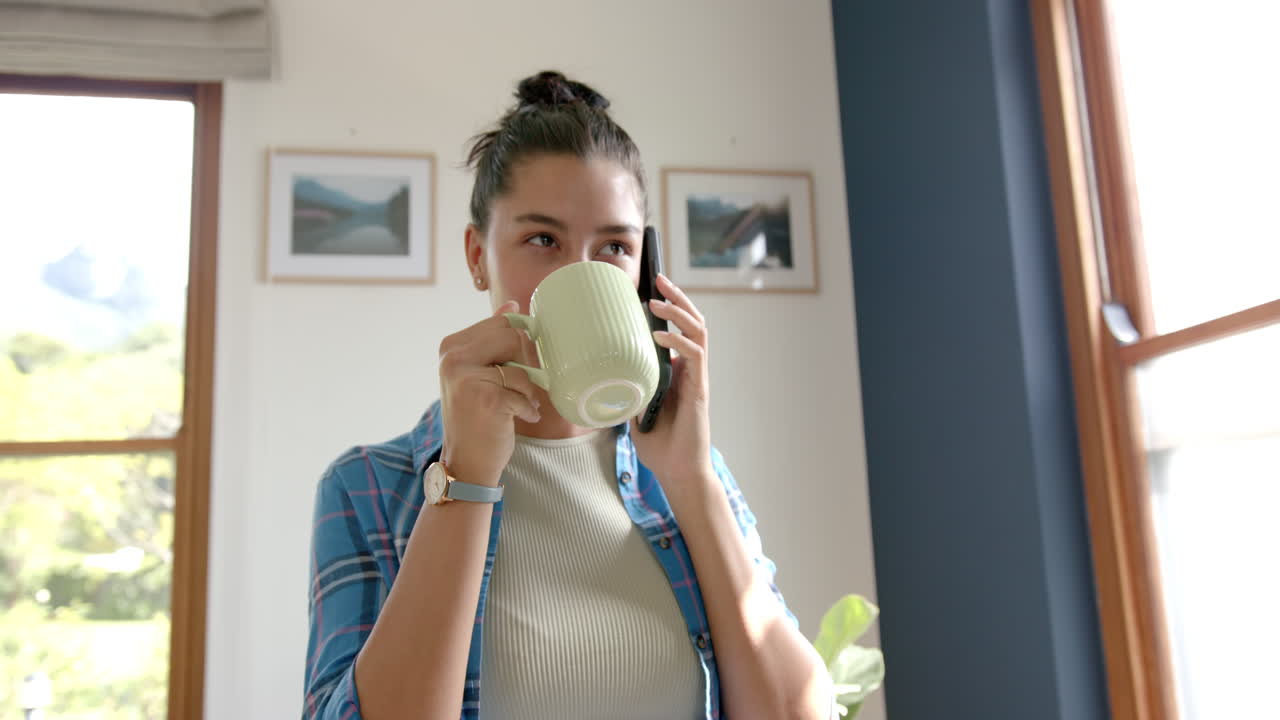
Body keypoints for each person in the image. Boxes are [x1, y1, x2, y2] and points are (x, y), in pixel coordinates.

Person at [302, 70, 832, 720]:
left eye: (613, 246)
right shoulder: (366, 490)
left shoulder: (690, 480)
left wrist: (692, 477)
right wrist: (465, 477)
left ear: (646, 273)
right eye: (542, 240)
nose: (580, 272)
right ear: (478, 256)